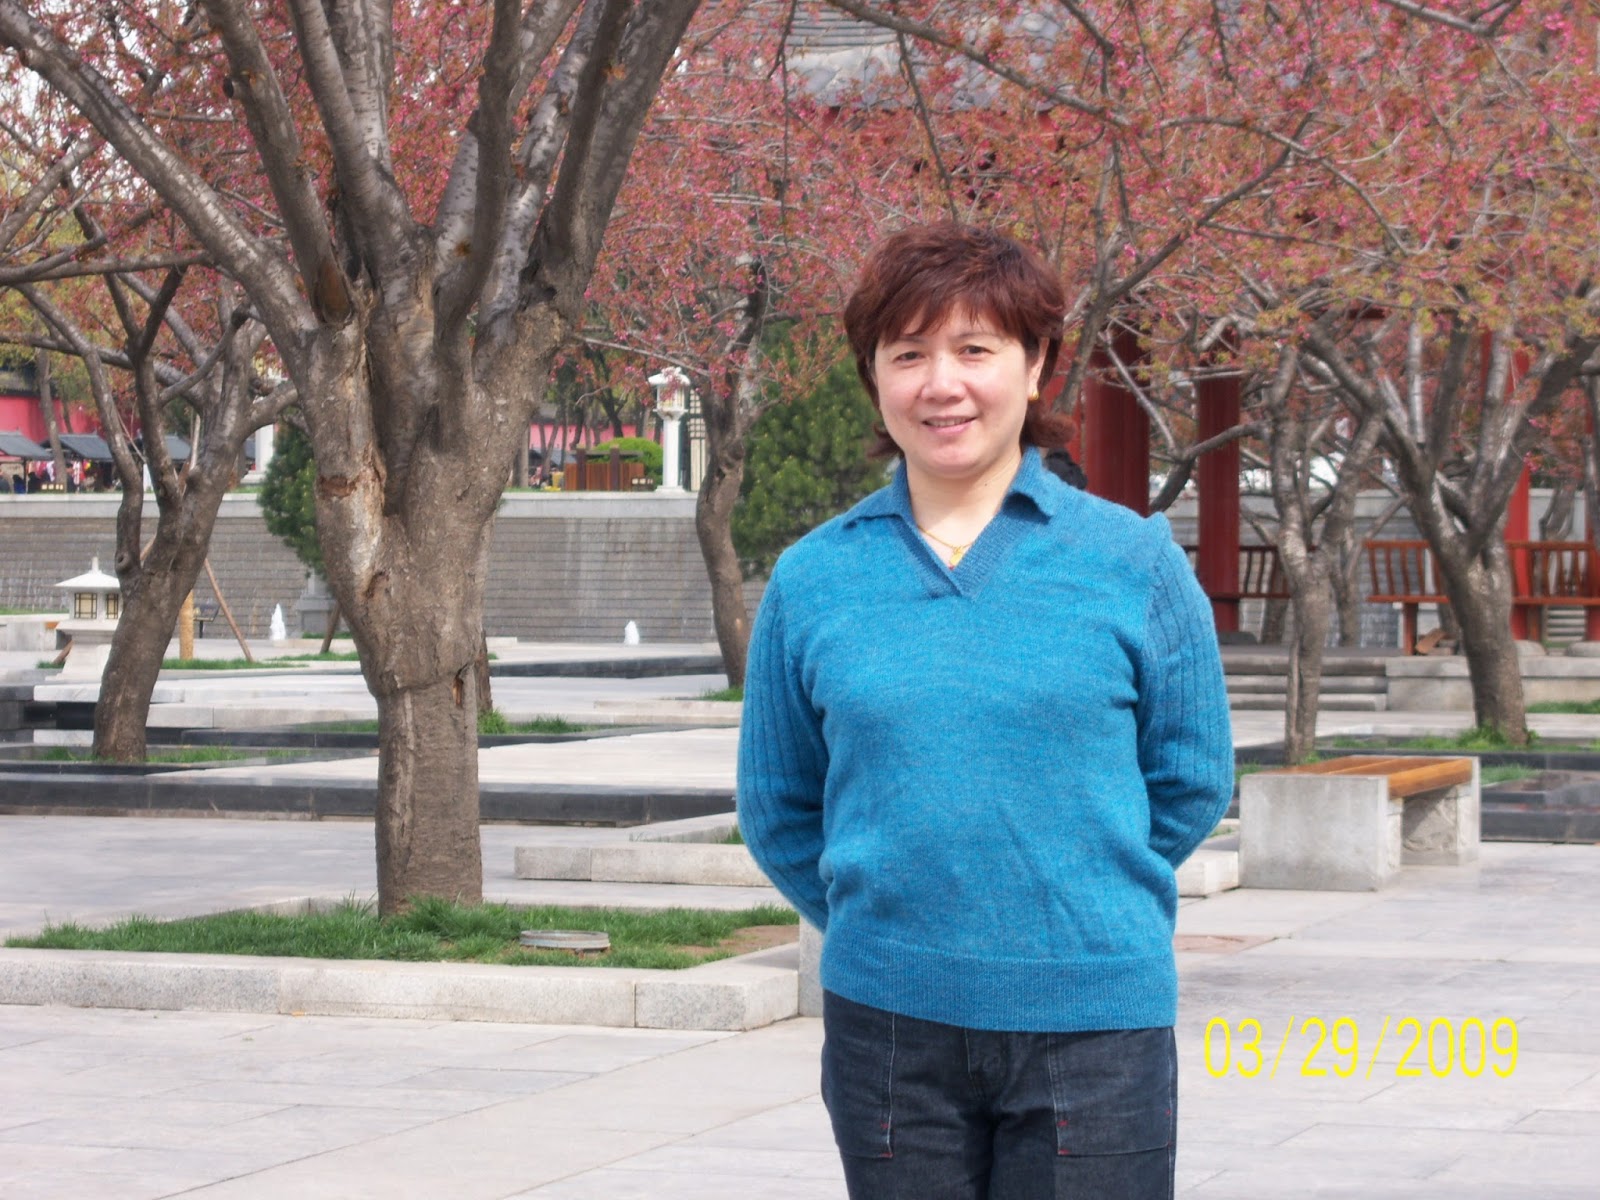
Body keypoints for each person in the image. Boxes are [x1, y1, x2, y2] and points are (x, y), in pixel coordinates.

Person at [737, 223, 1233, 1199]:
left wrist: (1072, 891)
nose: (941, 384)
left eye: (974, 349)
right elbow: (779, 804)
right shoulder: (813, 577)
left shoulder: (1131, 561)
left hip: (1094, 1024)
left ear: (1036, 364)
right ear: (873, 377)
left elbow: (1190, 779)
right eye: (907, 354)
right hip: (889, 1028)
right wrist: (893, 916)